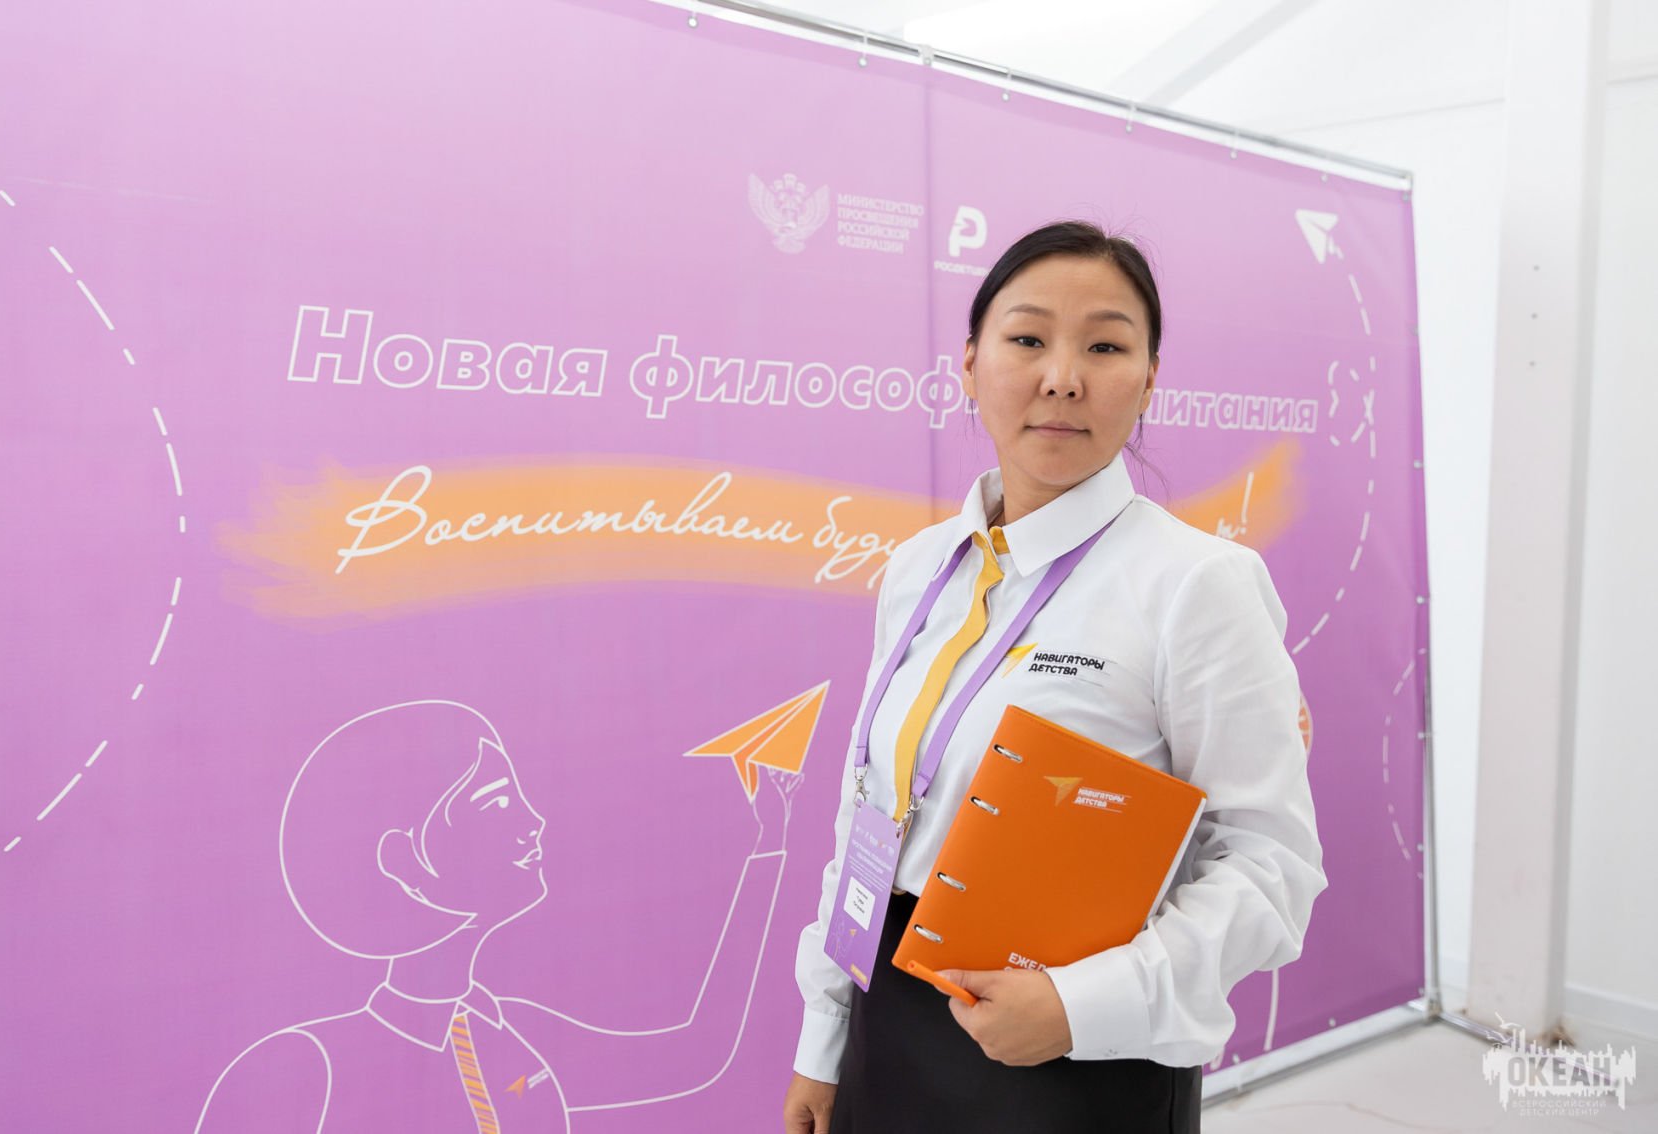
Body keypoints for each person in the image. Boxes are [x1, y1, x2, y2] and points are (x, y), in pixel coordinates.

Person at [783, 221, 1328, 1133]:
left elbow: (1271, 866)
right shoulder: (922, 568)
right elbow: (869, 810)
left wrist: (1080, 1008)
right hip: (891, 1010)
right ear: (970, 364)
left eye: (1105, 347)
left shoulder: (1196, 584)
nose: (1063, 377)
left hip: (1080, 1058)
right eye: (1028, 338)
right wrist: (825, 1036)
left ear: (1150, 379)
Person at [195, 699, 796, 1133]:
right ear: (403, 860)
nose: (534, 821)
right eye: (498, 802)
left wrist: (769, 847)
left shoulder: (514, 1034)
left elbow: (691, 1057)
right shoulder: (306, 1064)